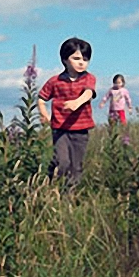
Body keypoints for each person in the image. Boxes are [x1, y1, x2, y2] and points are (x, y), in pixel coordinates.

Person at [38, 37, 97, 186]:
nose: (81, 62)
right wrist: (44, 113)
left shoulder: (88, 78)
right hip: (60, 129)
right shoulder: (55, 81)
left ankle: (69, 195)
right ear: (65, 59)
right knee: (62, 161)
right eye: (76, 58)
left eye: (85, 59)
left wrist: (77, 102)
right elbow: (41, 97)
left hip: (81, 130)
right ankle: (51, 179)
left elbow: (89, 93)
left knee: (76, 166)